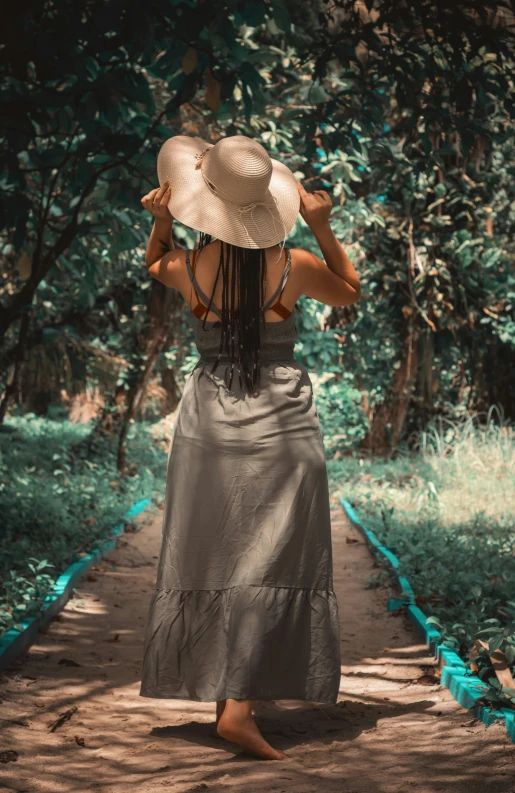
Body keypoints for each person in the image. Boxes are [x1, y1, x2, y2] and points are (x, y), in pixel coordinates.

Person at [139, 134, 361, 761]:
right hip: (283, 429)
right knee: (269, 563)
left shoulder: (190, 268)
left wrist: (160, 223)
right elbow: (351, 287)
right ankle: (237, 711)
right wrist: (320, 227)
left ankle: (226, 700)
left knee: (217, 557)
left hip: (209, 424)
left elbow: (155, 264)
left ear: (207, 202)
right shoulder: (294, 266)